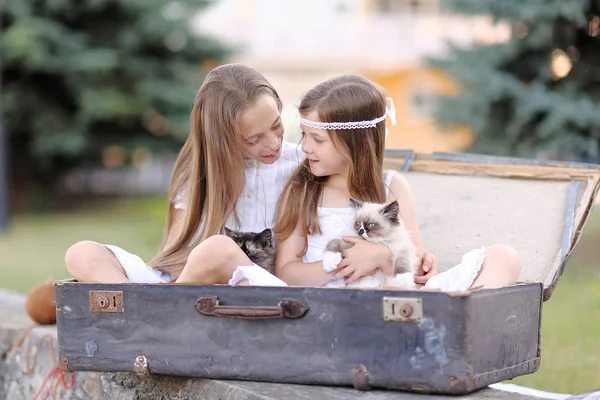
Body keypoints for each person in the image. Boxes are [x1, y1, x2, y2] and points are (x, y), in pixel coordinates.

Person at [231, 74, 521, 291]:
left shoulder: (392, 186)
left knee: (504, 258)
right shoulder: (302, 190)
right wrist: (344, 264)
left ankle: (462, 325)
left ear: (354, 143)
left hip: (394, 299)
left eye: (317, 139)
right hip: (333, 303)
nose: (304, 148)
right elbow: (286, 273)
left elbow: (414, 261)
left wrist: (383, 255)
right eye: (304, 135)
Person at [64, 64, 303, 284]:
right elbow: (176, 253)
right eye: (254, 139)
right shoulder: (198, 173)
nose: (273, 144)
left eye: (275, 125)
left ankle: (156, 312)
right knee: (80, 254)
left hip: (258, 287)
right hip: (192, 284)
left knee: (218, 249)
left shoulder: (304, 163)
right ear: (223, 140)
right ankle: (145, 306)